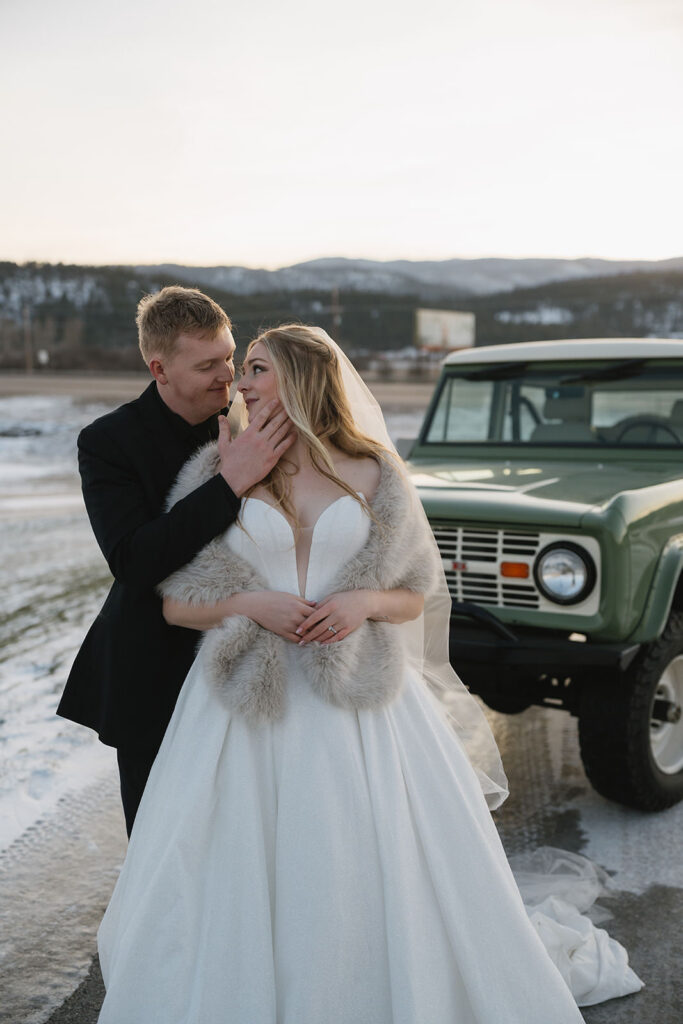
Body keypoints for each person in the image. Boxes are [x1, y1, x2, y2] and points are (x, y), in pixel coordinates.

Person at [95, 326, 637, 1023]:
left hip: (359, 703)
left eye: (256, 368)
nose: (240, 383)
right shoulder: (217, 467)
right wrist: (247, 604)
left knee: (363, 870)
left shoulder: (376, 470)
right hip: (241, 706)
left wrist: (362, 601)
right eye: (240, 369)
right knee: (229, 877)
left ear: (302, 376)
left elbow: (415, 593)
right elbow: (173, 603)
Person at [57, 287, 294, 835]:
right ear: (159, 368)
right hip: (153, 671)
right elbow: (134, 561)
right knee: (163, 846)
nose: (228, 376)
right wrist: (231, 481)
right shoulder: (108, 442)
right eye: (208, 365)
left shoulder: (256, 417)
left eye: (230, 358)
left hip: (255, 664)